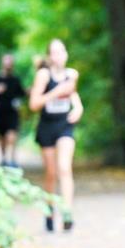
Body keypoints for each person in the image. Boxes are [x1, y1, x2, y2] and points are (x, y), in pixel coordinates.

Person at [29, 39, 83, 232]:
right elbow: (34, 104)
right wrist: (54, 93)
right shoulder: (44, 75)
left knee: (64, 168)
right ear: (49, 57)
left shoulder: (71, 75)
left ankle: (67, 211)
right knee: (51, 173)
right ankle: (49, 209)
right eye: (55, 52)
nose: (59, 56)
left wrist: (78, 107)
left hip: (64, 125)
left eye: (62, 51)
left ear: (66, 54)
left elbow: (72, 95)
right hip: (46, 127)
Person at [0, 54, 26, 167]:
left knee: (12, 135)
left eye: (10, 62)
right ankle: (4, 158)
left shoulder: (15, 80)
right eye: (6, 61)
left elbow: (22, 93)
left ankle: (12, 159)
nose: (8, 64)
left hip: (13, 112)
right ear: (2, 63)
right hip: (0, 112)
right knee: (2, 137)